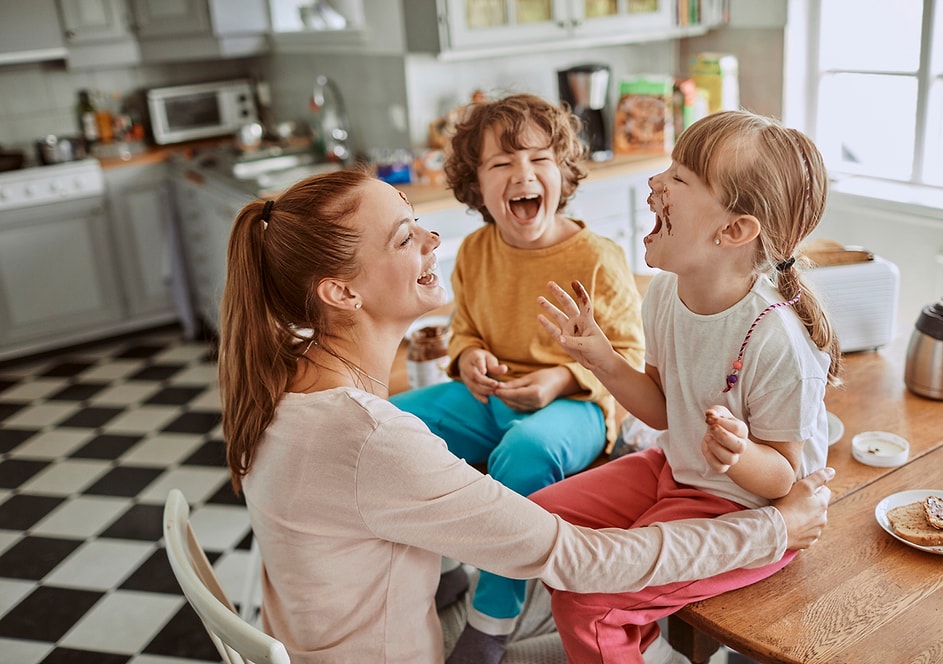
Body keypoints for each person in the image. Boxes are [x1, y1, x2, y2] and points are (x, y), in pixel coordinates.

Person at [217, 167, 835, 664]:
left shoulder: (284, 376)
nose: (433, 239)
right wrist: (775, 529)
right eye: (405, 237)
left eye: (416, 220)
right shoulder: (371, 440)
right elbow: (581, 560)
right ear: (342, 293)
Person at [535, 109, 843, 662]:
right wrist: (602, 360)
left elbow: (781, 480)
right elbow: (660, 409)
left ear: (733, 230)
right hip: (673, 468)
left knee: (588, 597)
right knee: (534, 523)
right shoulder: (663, 293)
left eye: (679, 178)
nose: (655, 183)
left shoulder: (775, 340)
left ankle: (622, 626)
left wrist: (740, 452)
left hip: (742, 508)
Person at [389, 93, 646, 661]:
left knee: (524, 453)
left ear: (564, 173)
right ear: (475, 185)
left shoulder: (597, 257)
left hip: (576, 406)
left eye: (539, 160)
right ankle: (447, 564)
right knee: (394, 425)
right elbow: (465, 330)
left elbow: (627, 355)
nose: (522, 175)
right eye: (501, 164)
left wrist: (557, 379)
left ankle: (491, 620)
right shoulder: (476, 250)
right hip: (489, 398)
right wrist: (468, 359)